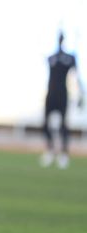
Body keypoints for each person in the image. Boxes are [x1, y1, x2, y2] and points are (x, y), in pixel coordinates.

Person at [40, 31, 84, 169]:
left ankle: (64, 153)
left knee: (63, 125)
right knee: (45, 124)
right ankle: (50, 150)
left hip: (62, 94)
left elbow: (76, 76)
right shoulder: (51, 57)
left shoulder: (69, 58)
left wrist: (81, 94)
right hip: (51, 94)